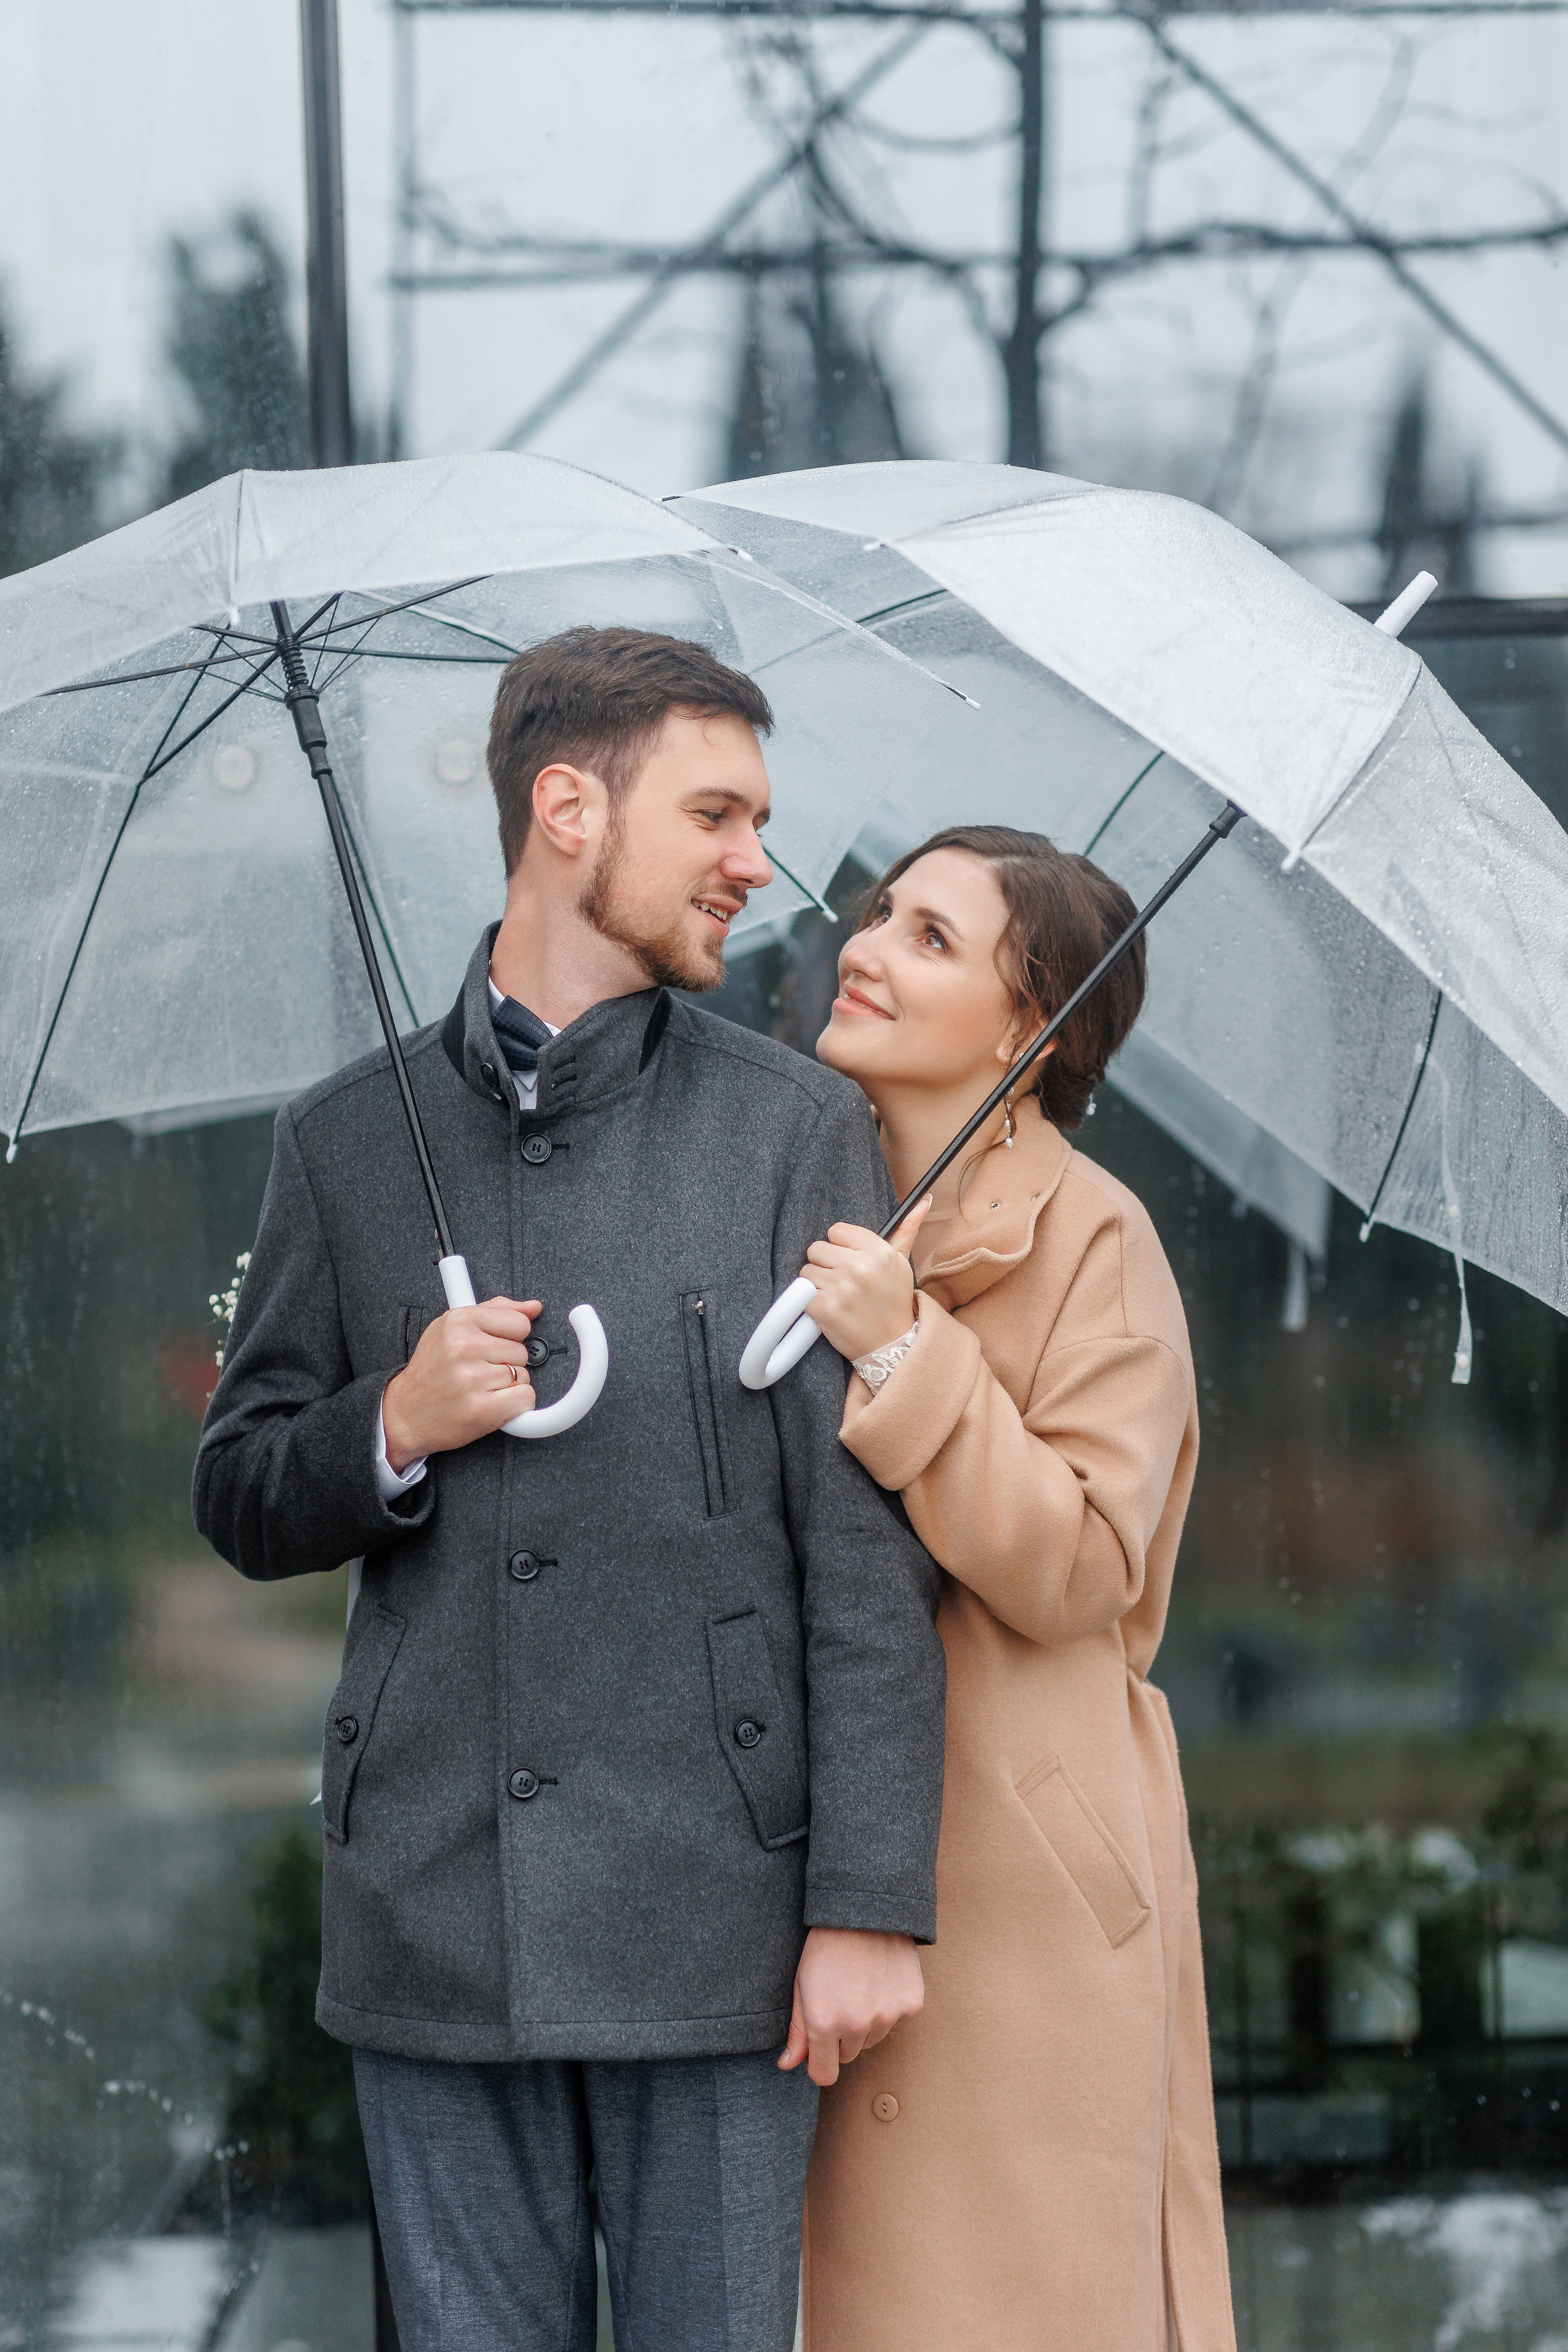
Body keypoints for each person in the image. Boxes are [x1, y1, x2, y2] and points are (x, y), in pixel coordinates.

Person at [193, 627, 946, 2352]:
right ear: (567, 809)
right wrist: (394, 1420)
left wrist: (866, 1902)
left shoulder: (793, 1129)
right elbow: (240, 1488)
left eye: (758, 819)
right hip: (436, 1918)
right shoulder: (343, 1139)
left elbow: (858, 1556)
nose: (761, 864)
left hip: (727, 1929)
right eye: (718, 815)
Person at [797, 824, 1235, 2352]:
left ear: (1029, 1029)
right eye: (878, 913)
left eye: (931, 939)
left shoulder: (1097, 1241)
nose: (864, 946)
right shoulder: (791, 1181)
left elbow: (1087, 1567)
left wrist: (905, 1353)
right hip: (809, 1852)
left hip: (1023, 1889)